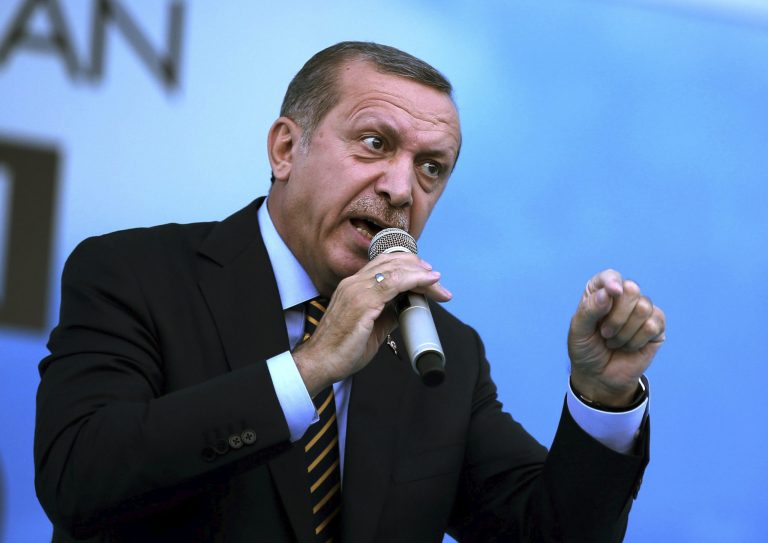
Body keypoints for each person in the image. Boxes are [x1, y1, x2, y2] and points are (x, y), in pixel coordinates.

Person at [35, 42, 666, 543]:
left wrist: (602, 398)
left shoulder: (443, 353)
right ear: (286, 148)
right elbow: (79, 479)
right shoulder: (134, 273)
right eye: (375, 143)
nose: (400, 189)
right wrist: (311, 367)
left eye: (431, 167)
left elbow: (547, 533)